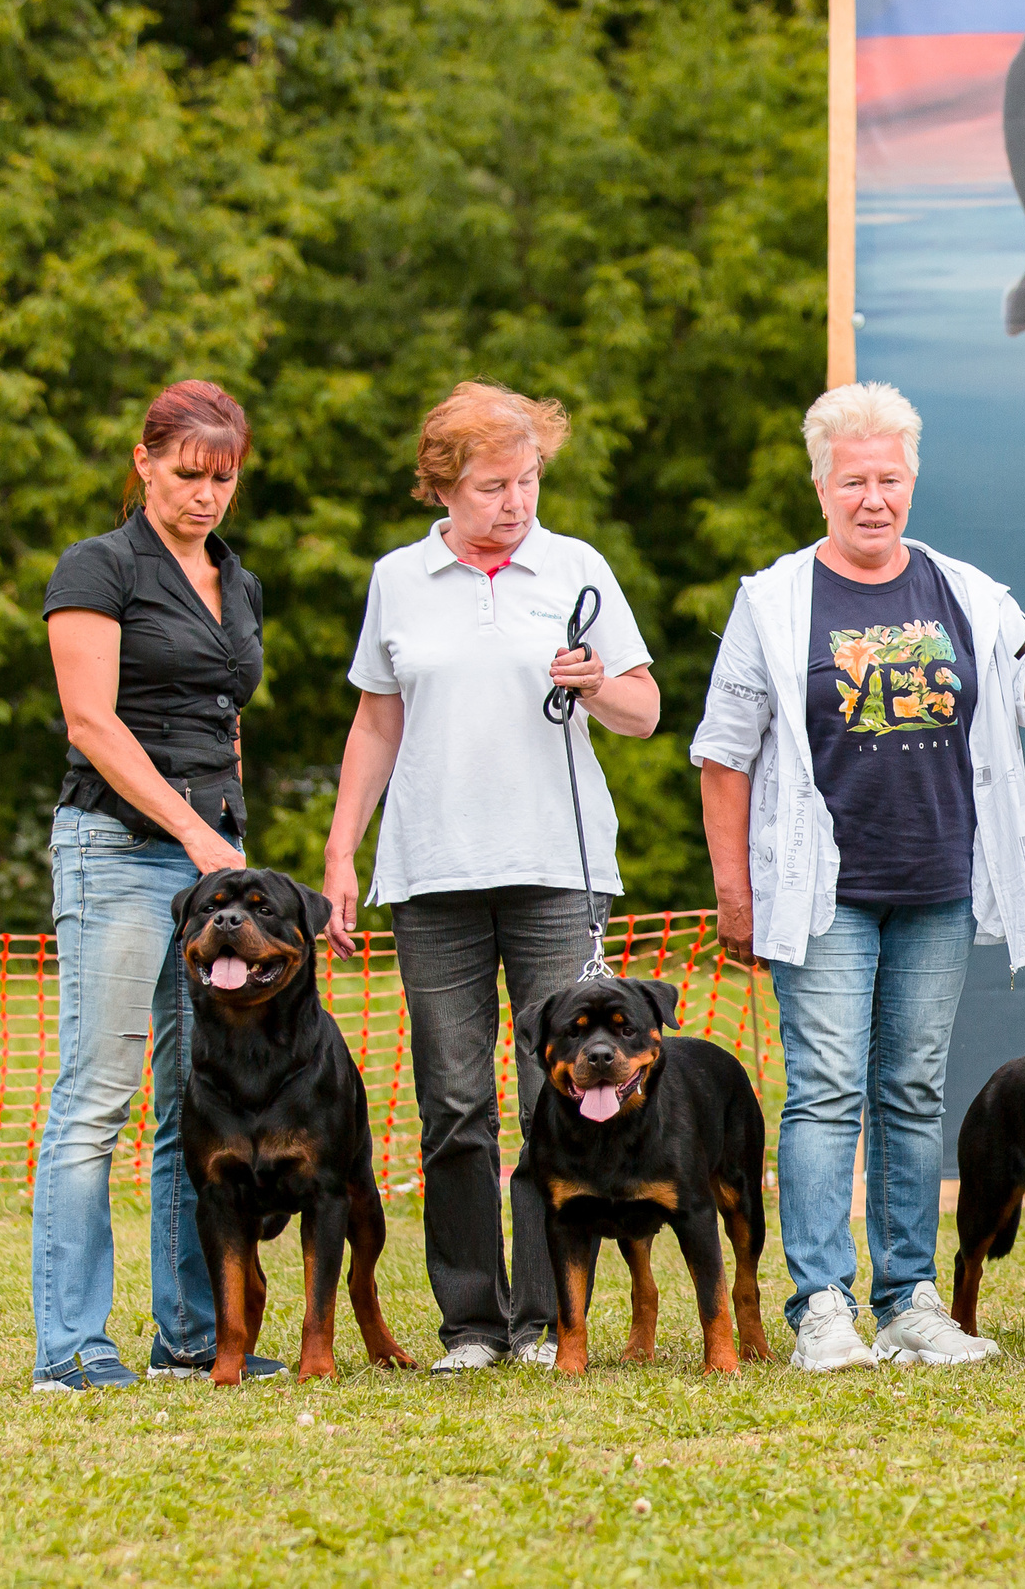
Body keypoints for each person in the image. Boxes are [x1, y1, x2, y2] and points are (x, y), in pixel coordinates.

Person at [691, 380, 1025, 1372]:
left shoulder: (969, 594)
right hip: (822, 890)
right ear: (821, 485)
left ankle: (910, 1300)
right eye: (852, 480)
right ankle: (821, 1305)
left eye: (889, 478)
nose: (872, 498)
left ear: (912, 479)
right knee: (827, 1089)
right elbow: (723, 754)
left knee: (913, 1089)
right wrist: (735, 892)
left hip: (939, 882)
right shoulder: (775, 601)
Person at [321, 381, 658, 1373]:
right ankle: (471, 1322)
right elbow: (376, 720)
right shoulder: (399, 578)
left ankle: (550, 1319)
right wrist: (343, 850)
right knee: (454, 1102)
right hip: (431, 876)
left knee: (548, 1097)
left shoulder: (576, 568)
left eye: (528, 480)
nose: (516, 502)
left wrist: (595, 682)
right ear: (443, 487)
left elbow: (641, 710)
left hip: (558, 870)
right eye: (492, 484)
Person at [32, 380, 270, 1390]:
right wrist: (188, 835)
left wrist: (230, 846)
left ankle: (189, 1339)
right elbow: (92, 723)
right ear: (143, 462)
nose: (205, 496)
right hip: (121, 854)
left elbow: (226, 723)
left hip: (211, 868)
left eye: (222, 479)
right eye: (186, 476)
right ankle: (74, 1348)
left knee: (196, 1104)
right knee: (97, 1100)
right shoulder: (98, 567)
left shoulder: (236, 579)